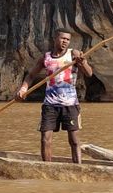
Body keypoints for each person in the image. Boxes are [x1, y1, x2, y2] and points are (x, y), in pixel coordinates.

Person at [16, 28, 93, 164]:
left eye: (68, 39)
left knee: (74, 140)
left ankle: (78, 168)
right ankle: (48, 167)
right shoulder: (46, 58)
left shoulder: (73, 54)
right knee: (45, 138)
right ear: (55, 38)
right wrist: (23, 89)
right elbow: (31, 75)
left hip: (70, 104)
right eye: (62, 38)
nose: (65, 42)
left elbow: (89, 73)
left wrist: (83, 62)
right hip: (50, 105)